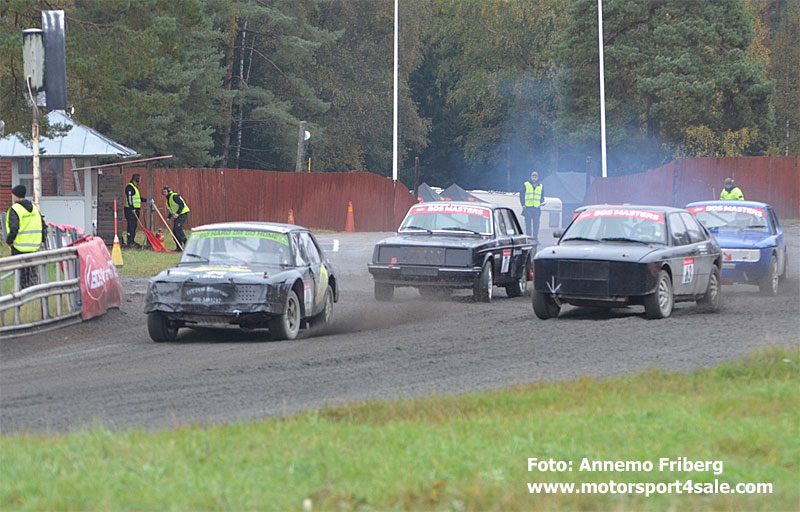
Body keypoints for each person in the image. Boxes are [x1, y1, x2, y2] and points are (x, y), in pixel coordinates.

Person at [5, 185, 47, 287]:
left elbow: (13, 229)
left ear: (15, 195)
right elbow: (43, 226)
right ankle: (33, 297)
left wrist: (9, 241)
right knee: (32, 274)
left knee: (20, 276)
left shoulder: (15, 209)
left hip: (19, 248)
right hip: (34, 248)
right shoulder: (34, 208)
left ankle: (22, 296)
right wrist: (42, 240)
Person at [163, 186, 190, 250]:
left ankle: (187, 245)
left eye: (165, 191)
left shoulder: (174, 196)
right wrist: (169, 217)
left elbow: (182, 204)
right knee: (174, 232)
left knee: (178, 228)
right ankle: (179, 247)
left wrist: (177, 213)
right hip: (177, 215)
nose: (163, 193)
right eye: (163, 192)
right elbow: (172, 209)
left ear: (168, 191)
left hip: (183, 213)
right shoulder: (168, 200)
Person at [519, 170, 544, 239]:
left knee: (536, 225)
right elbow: (521, 195)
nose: (534, 178)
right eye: (533, 176)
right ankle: (529, 239)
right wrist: (523, 204)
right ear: (531, 177)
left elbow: (542, 196)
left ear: (538, 177)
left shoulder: (541, 186)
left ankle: (535, 239)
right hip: (528, 208)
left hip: (536, 208)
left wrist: (542, 203)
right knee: (528, 225)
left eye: (535, 177)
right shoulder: (526, 184)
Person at [124, 173, 146, 247]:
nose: (140, 181)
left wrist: (147, 200)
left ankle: (132, 240)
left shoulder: (134, 187)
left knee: (134, 226)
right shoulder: (129, 187)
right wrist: (132, 208)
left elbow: (137, 198)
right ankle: (130, 242)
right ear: (136, 179)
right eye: (139, 179)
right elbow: (129, 198)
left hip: (135, 210)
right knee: (131, 225)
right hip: (130, 210)